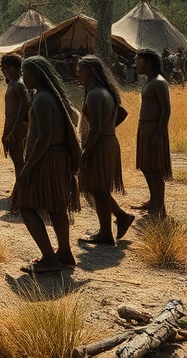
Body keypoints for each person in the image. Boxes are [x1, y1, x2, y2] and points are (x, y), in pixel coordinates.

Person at [11, 56, 81, 274]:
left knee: (26, 206)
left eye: (26, 72)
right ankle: (65, 253)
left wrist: (28, 167)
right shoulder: (54, 96)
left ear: (37, 74)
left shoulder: (42, 99)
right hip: (58, 158)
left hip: (45, 159)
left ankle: (49, 258)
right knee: (56, 207)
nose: (23, 76)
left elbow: (44, 137)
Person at [76, 56, 134, 245]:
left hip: (100, 144)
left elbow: (96, 128)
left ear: (92, 71)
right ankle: (120, 218)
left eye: (80, 70)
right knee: (99, 189)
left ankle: (106, 234)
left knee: (99, 189)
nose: (78, 74)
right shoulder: (105, 92)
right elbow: (122, 113)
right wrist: (110, 129)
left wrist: (86, 151)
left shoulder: (95, 94)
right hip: (107, 142)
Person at [132, 49, 172, 218]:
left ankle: (159, 207)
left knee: (155, 168)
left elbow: (166, 109)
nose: (135, 64)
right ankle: (152, 201)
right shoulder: (149, 81)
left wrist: (159, 134)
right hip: (145, 129)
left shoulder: (159, 82)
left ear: (148, 63)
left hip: (154, 129)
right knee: (146, 166)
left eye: (138, 60)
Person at [0, 54, 31, 193]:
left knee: (19, 161)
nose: (3, 70)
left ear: (16, 68)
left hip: (18, 127)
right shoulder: (12, 82)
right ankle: (20, 190)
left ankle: (21, 192)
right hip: (11, 124)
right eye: (2, 67)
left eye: (6, 67)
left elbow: (25, 104)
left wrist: (14, 128)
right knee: (16, 159)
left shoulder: (19, 83)